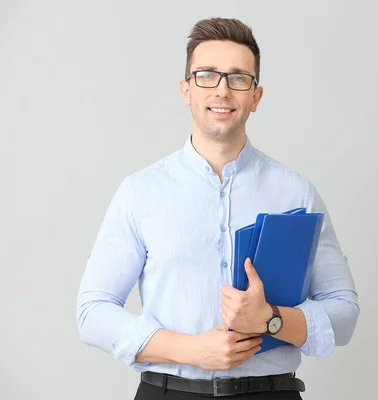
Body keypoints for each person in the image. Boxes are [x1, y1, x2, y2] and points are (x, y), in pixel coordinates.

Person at [76, 17, 359, 399]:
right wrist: (189, 350)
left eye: (238, 78)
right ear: (186, 90)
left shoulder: (296, 193)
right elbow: (92, 313)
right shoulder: (140, 192)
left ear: (255, 97)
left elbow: (344, 314)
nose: (222, 90)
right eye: (207, 75)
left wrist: (271, 320)